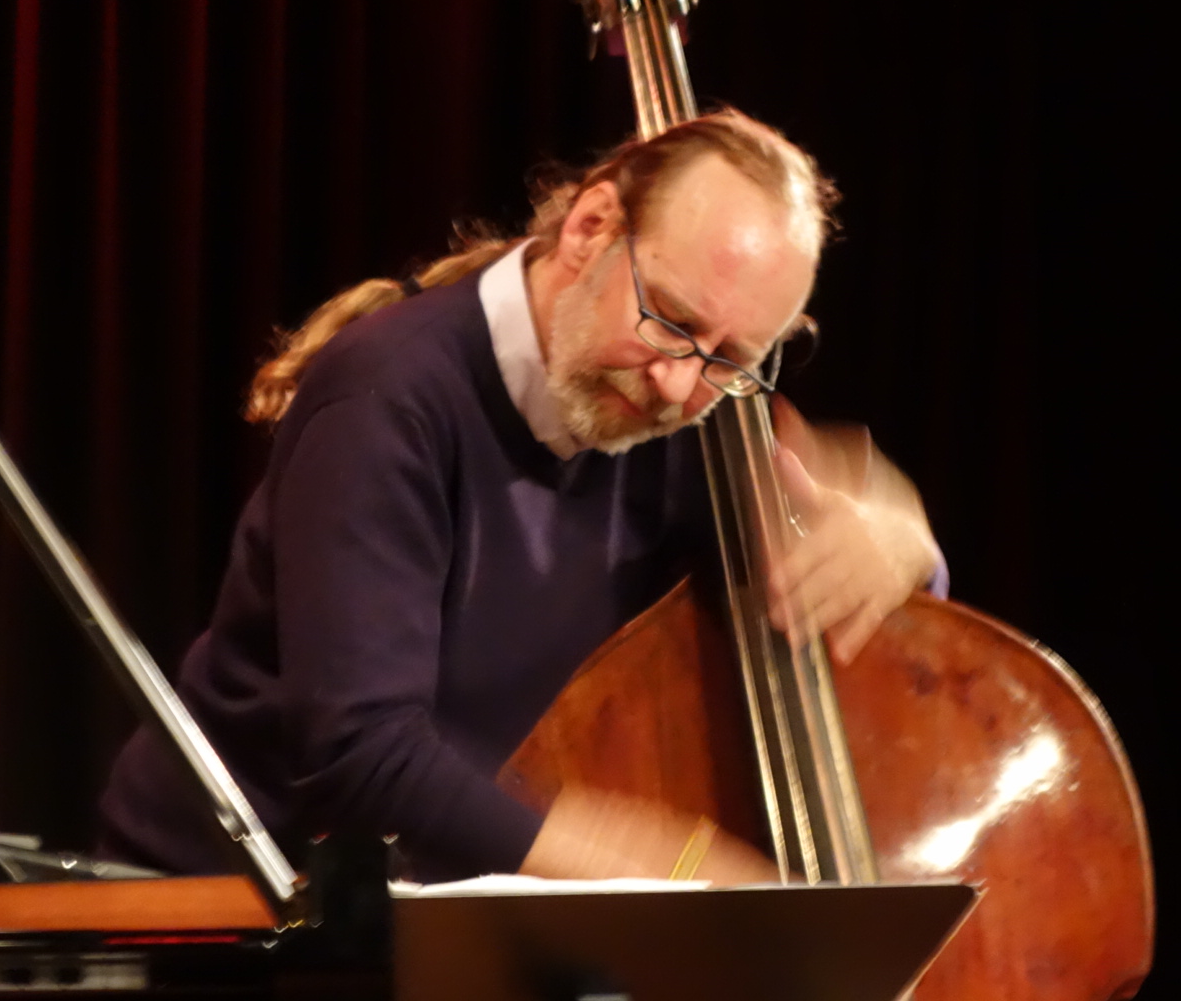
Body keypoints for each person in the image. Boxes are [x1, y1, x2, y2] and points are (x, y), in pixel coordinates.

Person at [98, 110, 943, 885]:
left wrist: (897, 535)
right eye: (672, 321)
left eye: (733, 359)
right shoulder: (388, 397)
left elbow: (855, 568)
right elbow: (364, 756)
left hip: (446, 908)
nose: (681, 383)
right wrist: (670, 868)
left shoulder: (688, 414)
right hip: (233, 908)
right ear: (590, 228)